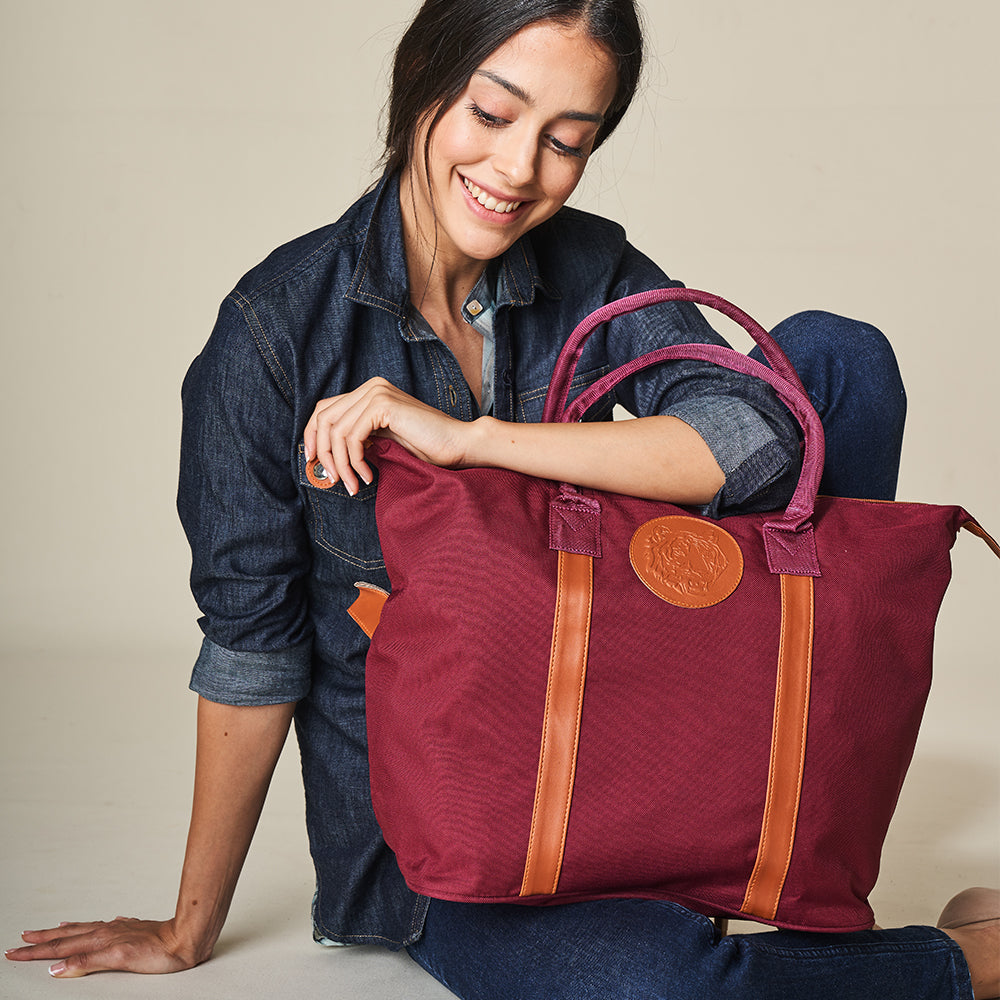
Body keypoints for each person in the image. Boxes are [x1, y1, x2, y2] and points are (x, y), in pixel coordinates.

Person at [6, 1, 998, 997]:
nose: (518, 170)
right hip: (452, 837)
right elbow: (253, 648)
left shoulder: (588, 267)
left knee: (839, 363)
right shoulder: (274, 335)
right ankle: (959, 962)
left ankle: (760, 825)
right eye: (491, 114)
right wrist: (188, 929)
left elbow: (749, 439)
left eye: (566, 141)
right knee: (655, 987)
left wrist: (473, 440)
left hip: (627, 734)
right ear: (422, 84)